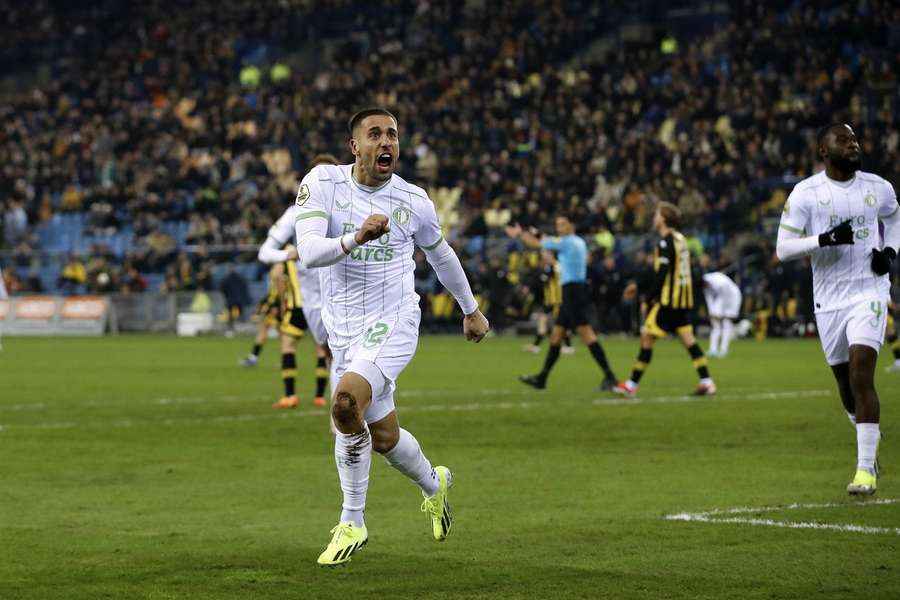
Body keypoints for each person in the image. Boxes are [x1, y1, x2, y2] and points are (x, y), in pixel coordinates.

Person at [293, 108, 489, 566]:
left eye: (394, 135)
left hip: (394, 319)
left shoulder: (413, 199)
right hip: (344, 330)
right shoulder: (322, 184)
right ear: (354, 146)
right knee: (382, 436)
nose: (387, 142)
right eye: (375, 134)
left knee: (345, 404)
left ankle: (352, 520)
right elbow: (308, 252)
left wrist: (471, 310)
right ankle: (435, 485)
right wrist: (355, 238)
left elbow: (440, 254)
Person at [775, 122, 899, 496]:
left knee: (862, 373)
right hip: (828, 299)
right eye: (843, 140)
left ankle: (864, 471)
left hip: (869, 291)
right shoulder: (806, 193)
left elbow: (895, 218)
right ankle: (868, 445)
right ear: (823, 150)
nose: (853, 144)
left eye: (855, 139)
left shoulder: (878, 188)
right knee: (844, 382)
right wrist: (824, 239)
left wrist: (890, 253)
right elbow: (783, 248)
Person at [257, 153, 341, 409]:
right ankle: (332, 407)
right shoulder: (295, 214)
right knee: (328, 353)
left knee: (343, 355)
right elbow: (264, 252)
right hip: (309, 300)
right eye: (317, 175)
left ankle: (342, 415)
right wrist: (288, 254)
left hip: (341, 294)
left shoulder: (349, 210)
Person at [613, 203, 716, 398]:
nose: (654, 218)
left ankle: (631, 384)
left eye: (657, 215)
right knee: (689, 341)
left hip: (669, 301)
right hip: (683, 301)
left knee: (646, 337)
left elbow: (662, 274)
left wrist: (648, 297)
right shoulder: (680, 239)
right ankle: (707, 382)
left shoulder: (664, 242)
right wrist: (640, 286)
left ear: (663, 219)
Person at [506, 215, 618, 390]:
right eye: (557, 224)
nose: (559, 227)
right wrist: (537, 233)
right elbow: (547, 240)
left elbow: (536, 244)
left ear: (571, 225)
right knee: (556, 336)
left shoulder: (567, 242)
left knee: (587, 335)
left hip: (572, 293)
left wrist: (520, 233)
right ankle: (542, 378)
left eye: (563, 224)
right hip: (573, 292)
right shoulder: (578, 242)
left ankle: (610, 376)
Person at [524, 250, 574, 355]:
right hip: (550, 301)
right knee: (543, 322)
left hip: (557, 301)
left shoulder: (555, 267)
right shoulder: (550, 267)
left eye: (545, 254)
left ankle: (568, 346)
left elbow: (546, 280)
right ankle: (536, 346)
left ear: (551, 255)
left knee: (560, 324)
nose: (543, 256)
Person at [702, 268, 742, 358]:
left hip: (732, 298)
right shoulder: (703, 284)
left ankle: (724, 350)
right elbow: (709, 299)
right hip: (720, 299)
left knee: (726, 323)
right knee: (715, 324)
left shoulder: (719, 281)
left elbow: (724, 297)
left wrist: (719, 314)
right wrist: (712, 313)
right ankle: (713, 349)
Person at [885, 303, 900, 372]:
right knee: (891, 337)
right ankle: (898, 362)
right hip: (886, 317)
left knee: (891, 335)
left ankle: (898, 362)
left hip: (888, 318)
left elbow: (894, 307)